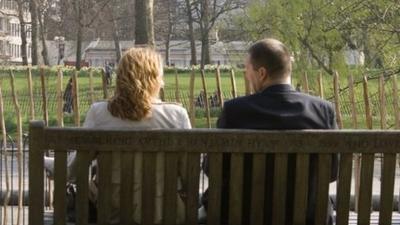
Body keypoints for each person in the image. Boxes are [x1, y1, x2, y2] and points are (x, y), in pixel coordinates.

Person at [45, 47, 191, 224]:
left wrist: (45, 162)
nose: (163, 83)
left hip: (110, 214)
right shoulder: (177, 115)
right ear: (155, 79)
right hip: (166, 214)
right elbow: (189, 174)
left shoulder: (99, 113)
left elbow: (74, 170)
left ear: (120, 77)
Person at [201, 38, 338, 225]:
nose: (246, 75)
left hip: (242, 216)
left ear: (262, 73)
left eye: (247, 70)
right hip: (307, 217)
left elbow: (213, 169)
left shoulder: (235, 110)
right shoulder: (322, 110)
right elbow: (331, 172)